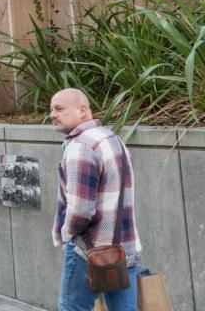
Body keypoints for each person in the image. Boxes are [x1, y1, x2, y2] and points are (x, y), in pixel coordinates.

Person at [50, 88, 141, 311]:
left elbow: (81, 210)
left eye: (59, 108)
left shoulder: (81, 146)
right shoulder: (111, 137)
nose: (52, 114)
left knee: (72, 308)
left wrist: (67, 234)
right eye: (51, 109)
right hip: (124, 246)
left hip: (89, 250)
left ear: (82, 110)